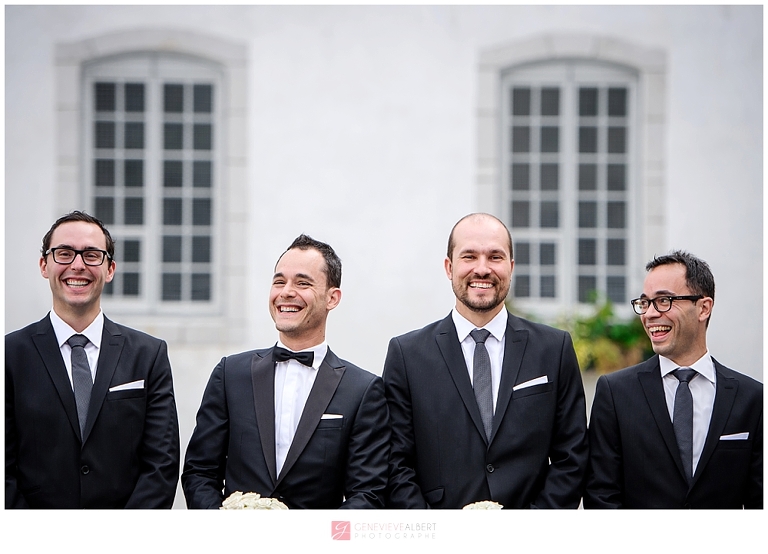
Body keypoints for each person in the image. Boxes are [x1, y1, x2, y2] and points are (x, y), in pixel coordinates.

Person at [383, 213, 588, 509]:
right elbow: (395, 462)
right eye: (469, 257)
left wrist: (529, 532)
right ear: (449, 267)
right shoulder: (407, 354)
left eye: (495, 257)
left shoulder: (554, 349)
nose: (482, 269)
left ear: (511, 267)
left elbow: (572, 456)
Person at [182, 234, 390, 509]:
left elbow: (368, 493)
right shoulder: (230, 374)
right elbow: (200, 472)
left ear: (332, 298)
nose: (286, 292)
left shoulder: (362, 390)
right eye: (279, 281)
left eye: (302, 283)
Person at [5, 211, 180, 509]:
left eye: (91, 255)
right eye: (64, 253)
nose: (77, 265)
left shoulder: (149, 355)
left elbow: (161, 464)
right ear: (44, 265)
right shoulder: (8, 356)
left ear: (110, 269)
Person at [585, 251, 763, 509]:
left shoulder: (752, 398)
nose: (650, 314)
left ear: (703, 308)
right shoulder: (614, 393)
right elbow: (601, 496)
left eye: (665, 300)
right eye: (645, 303)